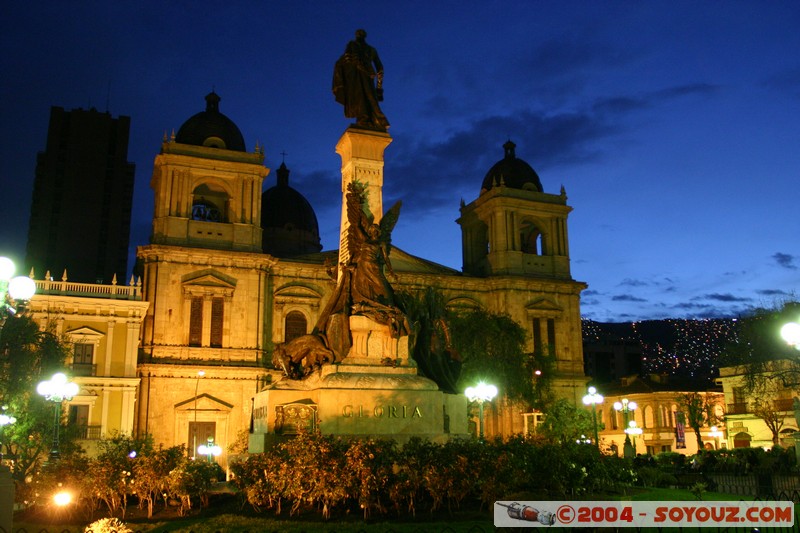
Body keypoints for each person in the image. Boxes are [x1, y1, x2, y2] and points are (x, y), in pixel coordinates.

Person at [332, 29, 390, 130]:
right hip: (368, 74)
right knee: (368, 96)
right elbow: (380, 69)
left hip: (357, 74)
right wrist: (379, 87)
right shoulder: (372, 50)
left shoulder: (352, 45)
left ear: (357, 36)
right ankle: (370, 119)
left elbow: (343, 61)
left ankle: (365, 119)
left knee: (361, 96)